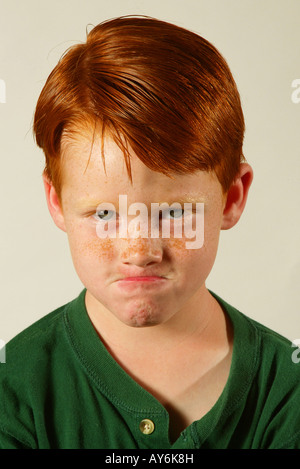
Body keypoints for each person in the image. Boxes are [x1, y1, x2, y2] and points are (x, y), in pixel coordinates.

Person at [0, 15, 299, 450]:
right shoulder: (15, 396)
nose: (139, 250)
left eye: (174, 211)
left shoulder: (286, 395)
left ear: (232, 197)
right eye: (104, 214)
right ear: (56, 201)